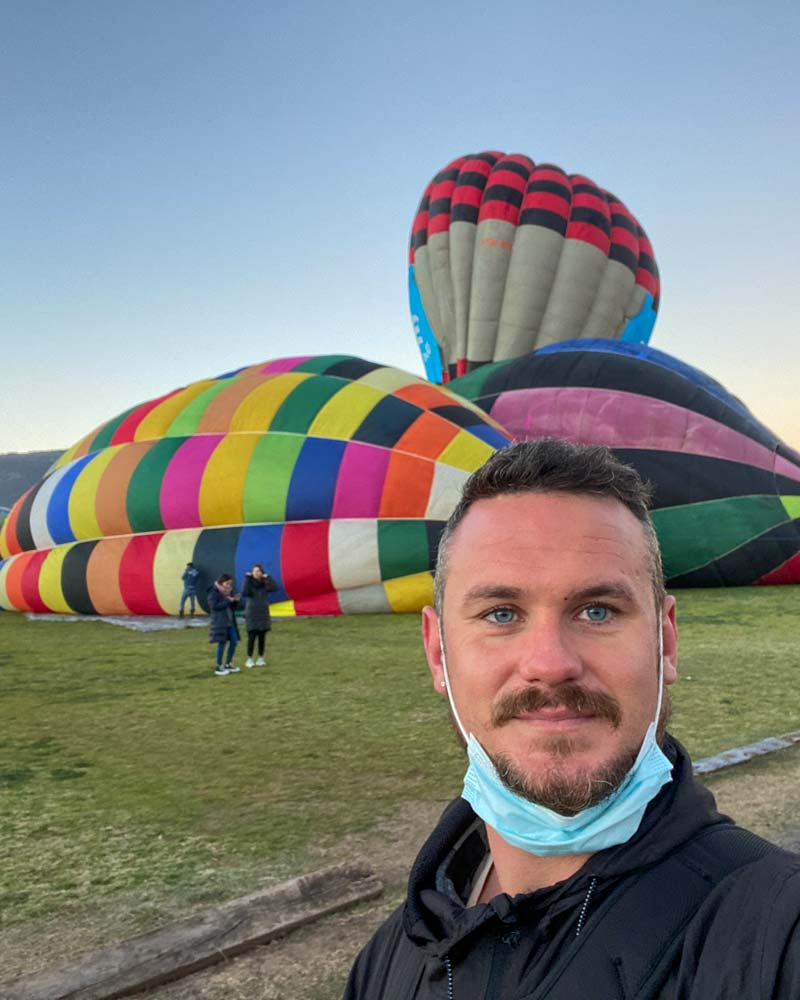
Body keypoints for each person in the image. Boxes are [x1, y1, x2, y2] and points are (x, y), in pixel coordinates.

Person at [344, 438, 800, 999]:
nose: (551, 665)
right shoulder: (386, 962)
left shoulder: (778, 937)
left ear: (666, 640)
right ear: (439, 653)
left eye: (597, 610)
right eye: (501, 613)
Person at [241, 563, 279, 667]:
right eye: (255, 571)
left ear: (262, 573)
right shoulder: (249, 583)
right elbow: (244, 592)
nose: (257, 573)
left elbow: (275, 587)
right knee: (252, 636)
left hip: (263, 613)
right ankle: (249, 658)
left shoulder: (264, 584)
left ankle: (260, 658)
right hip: (252, 613)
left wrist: (268, 577)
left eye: (259, 571)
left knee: (262, 637)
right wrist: (247, 578)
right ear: (252, 573)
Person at [207, 574, 241, 676]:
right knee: (222, 643)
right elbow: (214, 606)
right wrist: (227, 600)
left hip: (230, 622)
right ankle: (218, 666)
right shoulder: (213, 592)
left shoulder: (230, 592)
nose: (228, 585)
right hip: (220, 622)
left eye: (230, 583)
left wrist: (235, 601)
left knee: (234, 642)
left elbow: (232, 608)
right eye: (227, 583)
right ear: (221, 582)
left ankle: (228, 664)